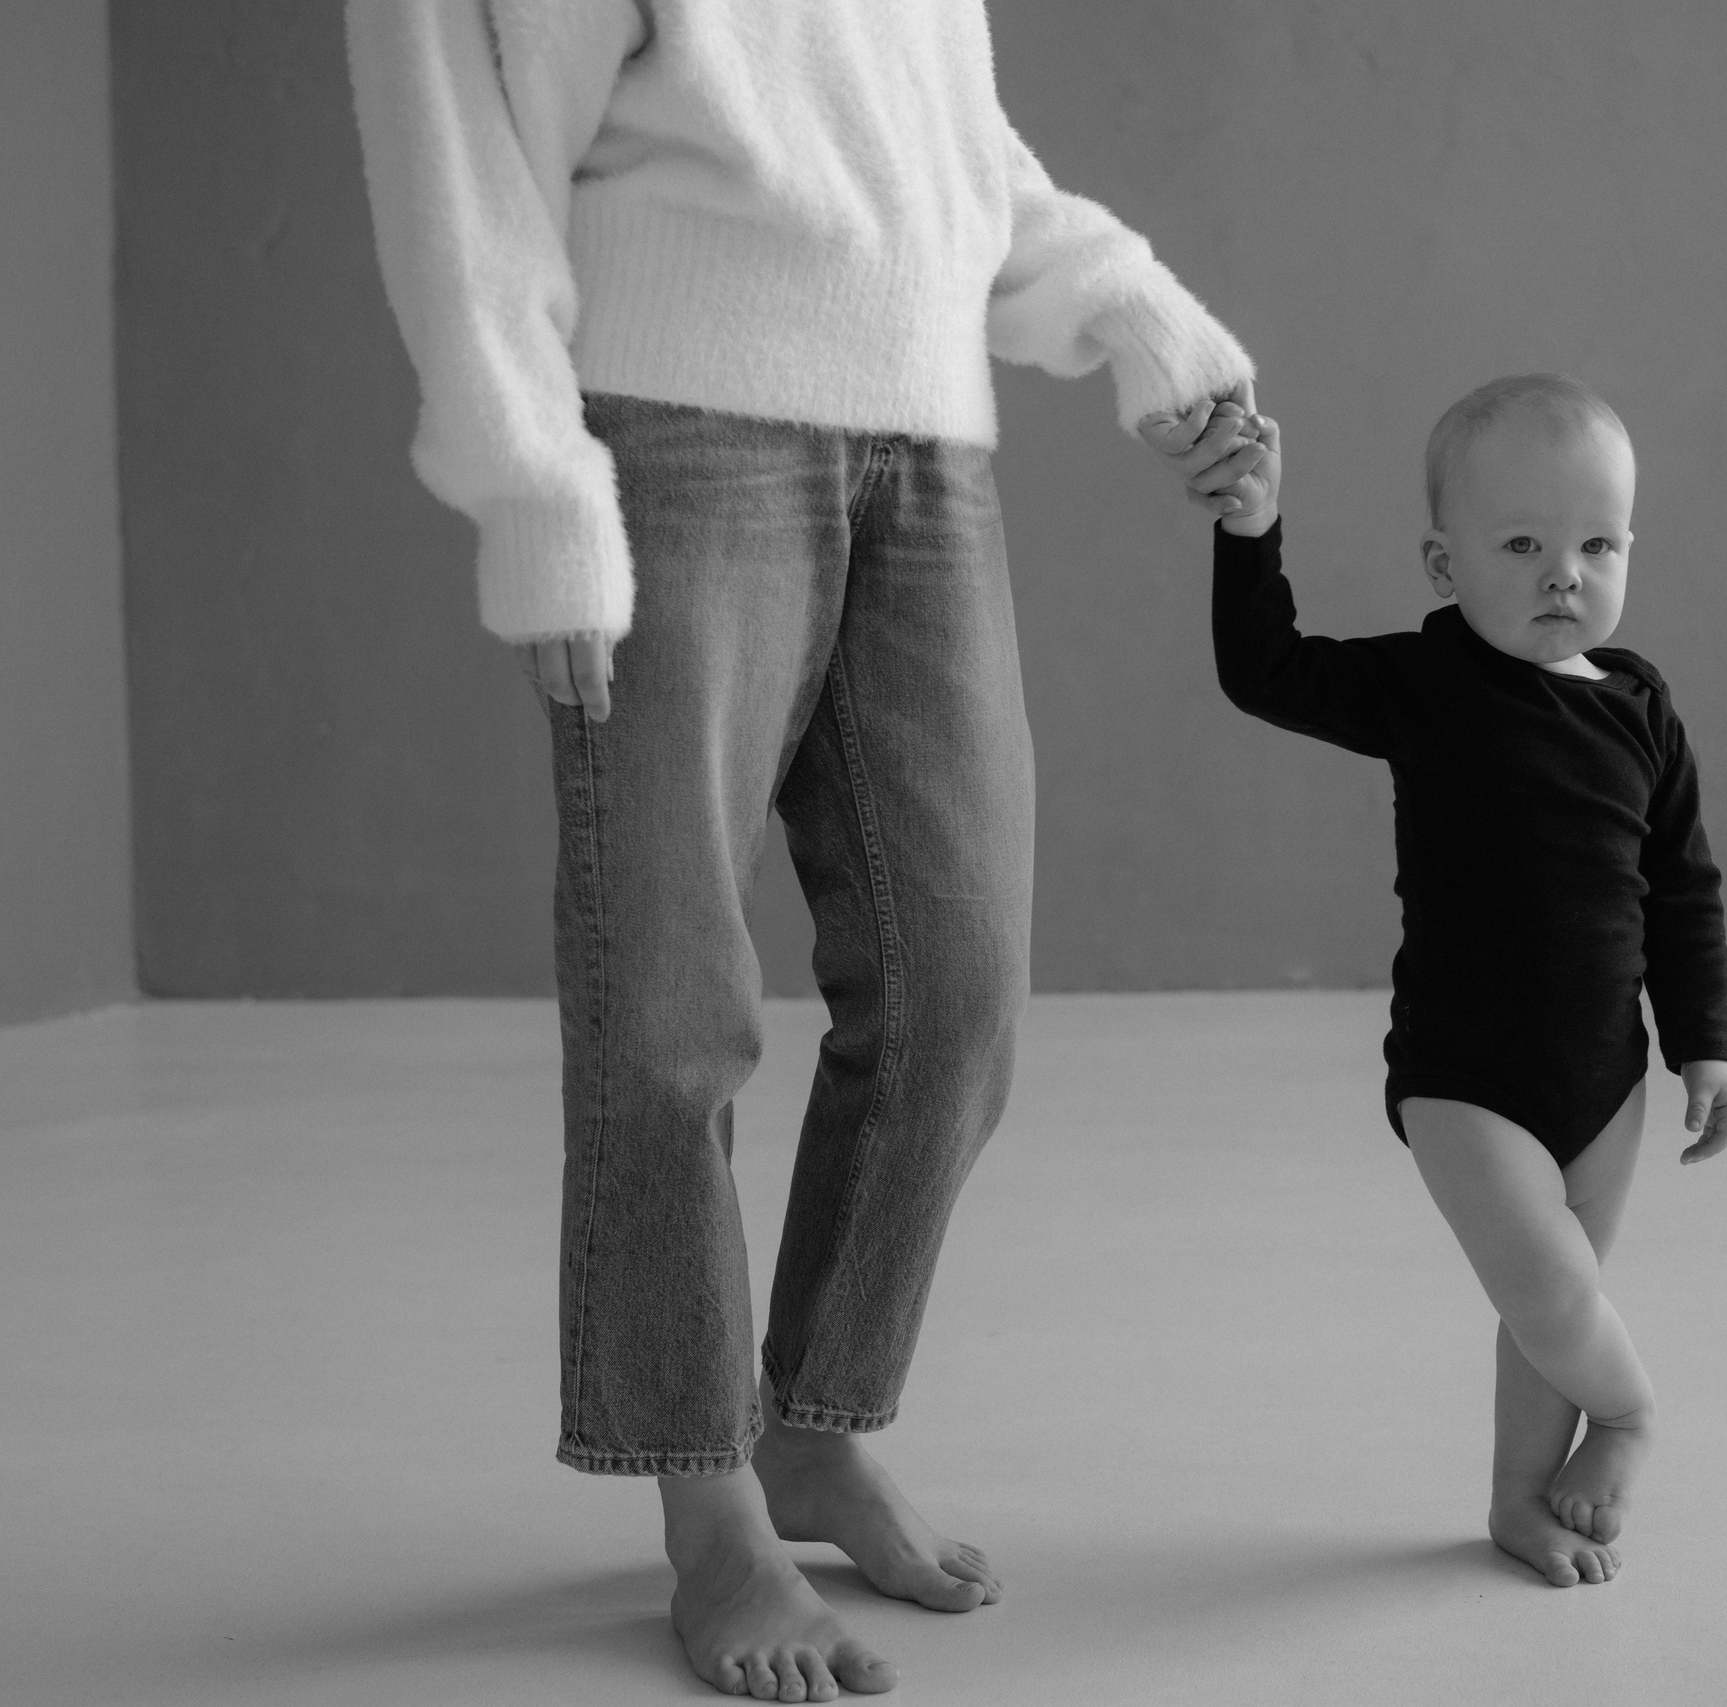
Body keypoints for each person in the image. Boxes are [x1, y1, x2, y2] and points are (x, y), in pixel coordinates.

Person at [344, 4, 1253, 1699]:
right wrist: (540, 492)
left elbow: (941, 155)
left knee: (956, 988)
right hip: (673, 430)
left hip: (929, 447)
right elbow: (459, 161)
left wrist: (1144, 319)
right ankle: (710, 1513)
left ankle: (814, 1428)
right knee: (667, 1008)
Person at [1147, 375, 1727, 1588]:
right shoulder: (1428, 685)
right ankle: (1630, 1415)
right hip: (1464, 1075)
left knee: (1546, 1311)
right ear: (1442, 562)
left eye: (1594, 544)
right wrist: (1251, 532)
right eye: (1520, 545)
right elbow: (1267, 672)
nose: (1559, 574)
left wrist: (1704, 1045)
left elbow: (1682, 888)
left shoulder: (1639, 707)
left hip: (1604, 1074)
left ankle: (1520, 1505)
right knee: (1549, 1285)